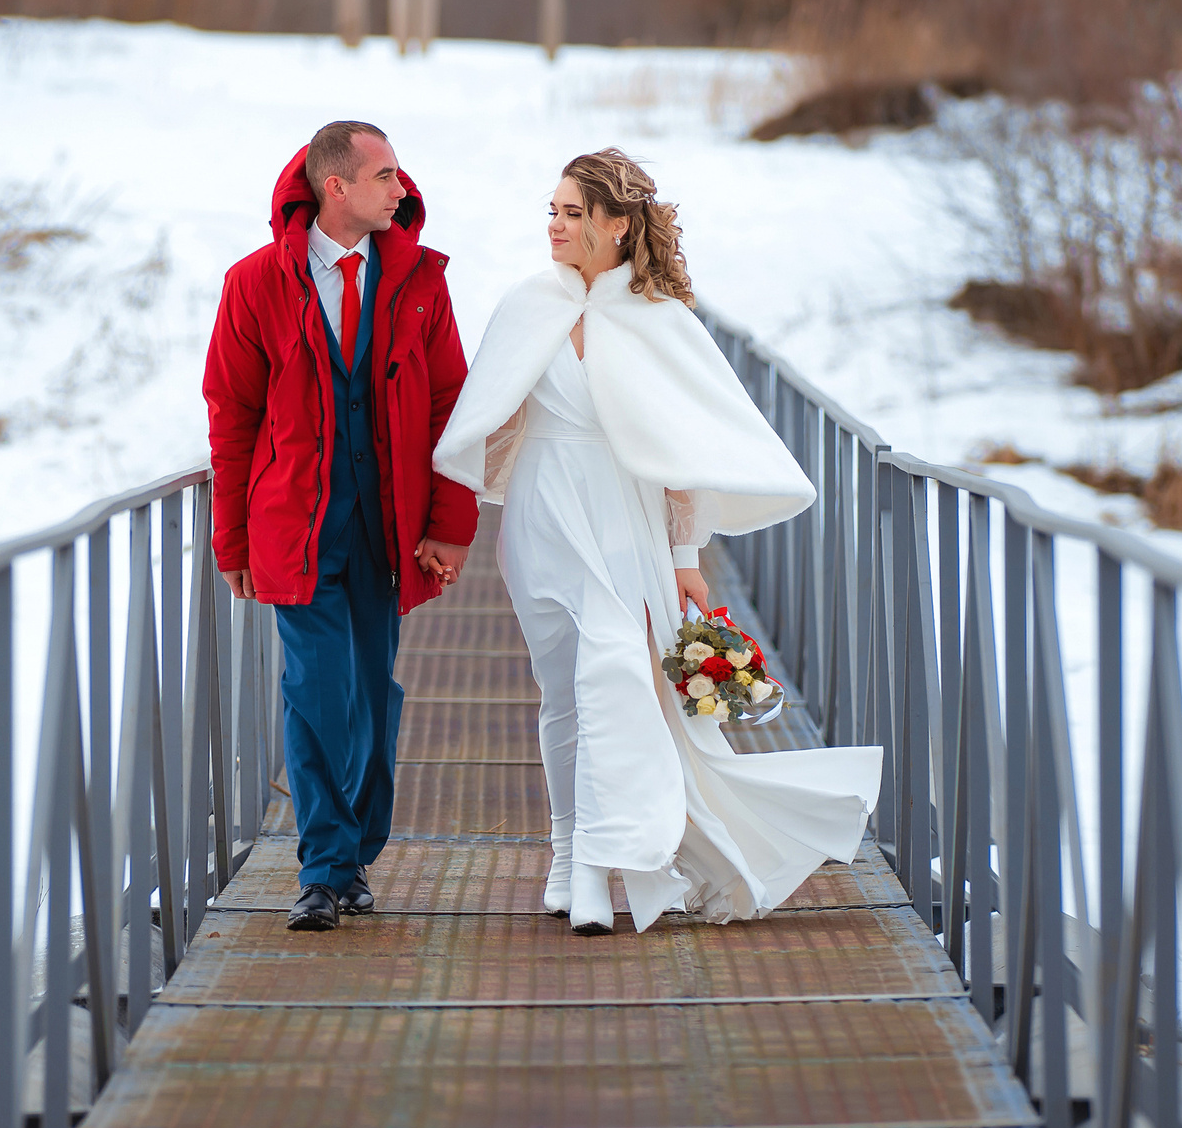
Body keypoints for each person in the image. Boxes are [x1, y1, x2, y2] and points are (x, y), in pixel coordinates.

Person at [431, 148, 880, 934]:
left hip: (621, 519)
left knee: (616, 675)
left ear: (616, 223)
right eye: (553, 210)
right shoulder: (527, 304)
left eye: (574, 213)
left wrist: (685, 560)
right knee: (564, 690)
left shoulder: (659, 320)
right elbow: (492, 424)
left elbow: (683, 456)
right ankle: (568, 853)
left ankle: (616, 863)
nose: (557, 226)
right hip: (539, 518)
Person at [204, 121, 479, 931]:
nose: (403, 188)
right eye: (386, 175)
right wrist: (232, 539)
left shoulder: (422, 281)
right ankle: (325, 866)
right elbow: (232, 416)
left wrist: (451, 527)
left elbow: (448, 408)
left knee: (368, 689)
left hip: (387, 527)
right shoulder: (254, 284)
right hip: (295, 522)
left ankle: (355, 847)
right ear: (337, 187)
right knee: (312, 686)